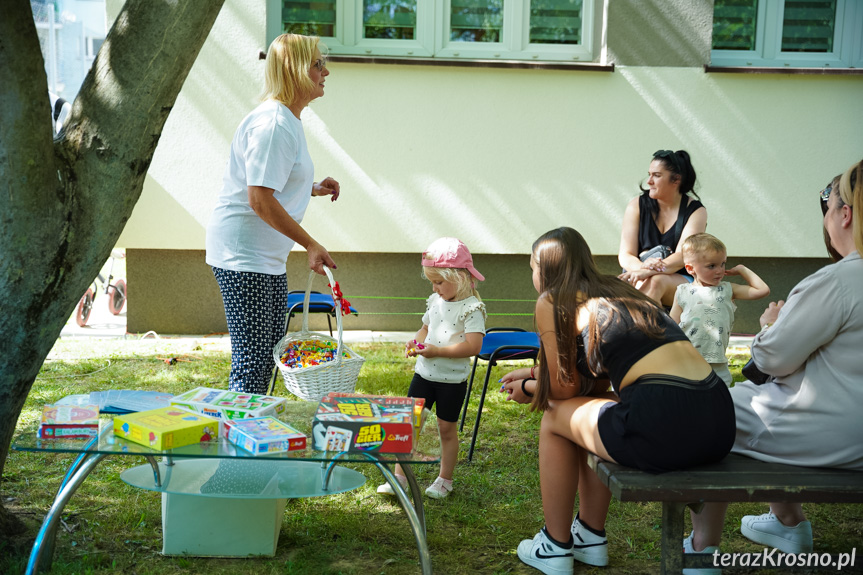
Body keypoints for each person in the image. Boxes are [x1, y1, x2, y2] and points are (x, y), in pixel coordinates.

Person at [499, 227, 735, 575]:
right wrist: (536, 376)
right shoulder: (619, 291)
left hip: (663, 426)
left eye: (532, 267)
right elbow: (595, 386)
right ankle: (590, 537)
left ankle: (554, 545)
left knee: (554, 418)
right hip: (717, 421)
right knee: (600, 408)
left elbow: (564, 392)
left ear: (543, 268)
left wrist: (535, 390)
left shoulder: (552, 300)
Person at [687, 159, 863, 567]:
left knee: (714, 416)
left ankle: (701, 548)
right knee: (755, 405)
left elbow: (772, 358)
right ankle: (786, 521)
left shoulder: (836, 281)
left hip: (833, 432)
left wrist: (771, 324)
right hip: (846, 424)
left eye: (829, 203)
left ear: (846, 214)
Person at [205, 33, 341, 394]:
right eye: (317, 65)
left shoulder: (287, 120)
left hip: (262, 257)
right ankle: (238, 445)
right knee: (254, 362)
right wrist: (310, 244)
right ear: (295, 70)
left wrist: (311, 187)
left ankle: (246, 438)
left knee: (265, 357)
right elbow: (259, 199)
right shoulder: (274, 124)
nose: (325, 72)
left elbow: (271, 180)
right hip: (244, 256)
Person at [376, 237, 486, 499]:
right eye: (432, 283)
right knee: (410, 425)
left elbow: (473, 346)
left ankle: (444, 480)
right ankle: (399, 478)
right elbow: (425, 328)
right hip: (424, 375)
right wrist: (416, 341)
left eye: (439, 282)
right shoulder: (435, 301)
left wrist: (438, 351)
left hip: (451, 381)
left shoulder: (472, 308)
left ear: (458, 277)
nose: (435, 288)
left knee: (446, 429)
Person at [669, 233, 770, 386]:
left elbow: (762, 290)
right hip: (688, 358)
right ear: (690, 269)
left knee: (721, 398)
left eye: (723, 263)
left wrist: (743, 270)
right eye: (712, 266)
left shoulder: (728, 289)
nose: (720, 270)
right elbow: (672, 325)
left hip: (717, 361)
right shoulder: (682, 291)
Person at [619, 150, 707, 306]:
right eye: (649, 174)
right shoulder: (636, 205)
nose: (649, 181)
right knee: (648, 283)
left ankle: (646, 330)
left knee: (656, 282)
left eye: (657, 175)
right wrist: (643, 269)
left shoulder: (696, 211)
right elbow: (625, 255)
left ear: (676, 180)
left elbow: (682, 256)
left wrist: (649, 272)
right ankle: (654, 329)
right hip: (640, 273)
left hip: (680, 278)